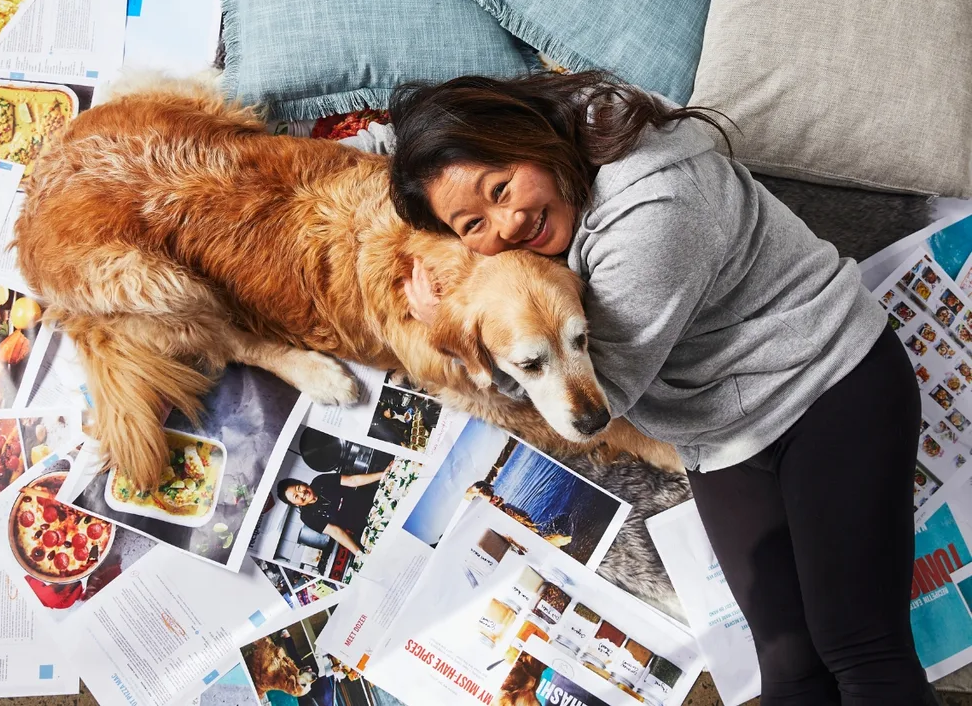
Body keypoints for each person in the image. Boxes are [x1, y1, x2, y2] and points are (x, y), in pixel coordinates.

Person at [342, 71, 935, 706]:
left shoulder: (653, 214)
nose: (508, 222)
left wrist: (452, 329)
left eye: (502, 187)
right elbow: (423, 146)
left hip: (826, 381)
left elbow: (594, 404)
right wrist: (364, 151)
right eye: (472, 222)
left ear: (528, 139)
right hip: (722, 431)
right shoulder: (546, 122)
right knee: (789, 674)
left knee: (861, 651)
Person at [276, 468, 387, 556]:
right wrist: (359, 554)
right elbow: (336, 532)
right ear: (296, 504)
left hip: (376, 502)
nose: (302, 493)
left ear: (303, 483)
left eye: (299, 488)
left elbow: (353, 480)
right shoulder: (307, 516)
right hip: (368, 527)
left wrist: (383, 474)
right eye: (296, 496)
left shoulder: (320, 481)